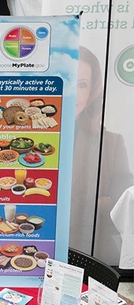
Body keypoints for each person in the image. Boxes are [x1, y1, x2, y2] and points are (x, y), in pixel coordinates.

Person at [69, 46, 133, 262]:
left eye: (82, 85)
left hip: (89, 251)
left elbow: (122, 203)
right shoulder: (25, 140)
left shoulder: (111, 142)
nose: (74, 93)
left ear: (92, 90)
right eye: (67, 81)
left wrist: (90, 203)